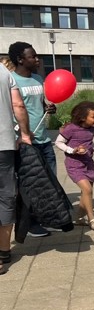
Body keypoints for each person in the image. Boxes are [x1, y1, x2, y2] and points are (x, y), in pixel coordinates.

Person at [9, 42, 57, 237]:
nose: (37, 60)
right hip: (26, 142)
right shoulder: (11, 81)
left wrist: (50, 108)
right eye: (33, 56)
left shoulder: (38, 79)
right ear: (20, 59)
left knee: (50, 181)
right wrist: (21, 135)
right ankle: (30, 224)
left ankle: (46, 218)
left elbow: (41, 105)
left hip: (45, 140)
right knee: (31, 184)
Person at [0, 64, 32, 274]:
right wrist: (25, 134)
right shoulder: (3, 72)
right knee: (6, 196)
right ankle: (3, 251)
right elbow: (18, 105)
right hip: (3, 145)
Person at [55, 101, 94, 230]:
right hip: (74, 165)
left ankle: (78, 218)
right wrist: (72, 150)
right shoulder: (71, 128)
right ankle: (92, 219)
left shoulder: (92, 129)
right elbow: (58, 142)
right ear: (83, 117)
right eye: (93, 117)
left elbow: (88, 142)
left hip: (88, 163)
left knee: (85, 192)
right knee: (88, 190)